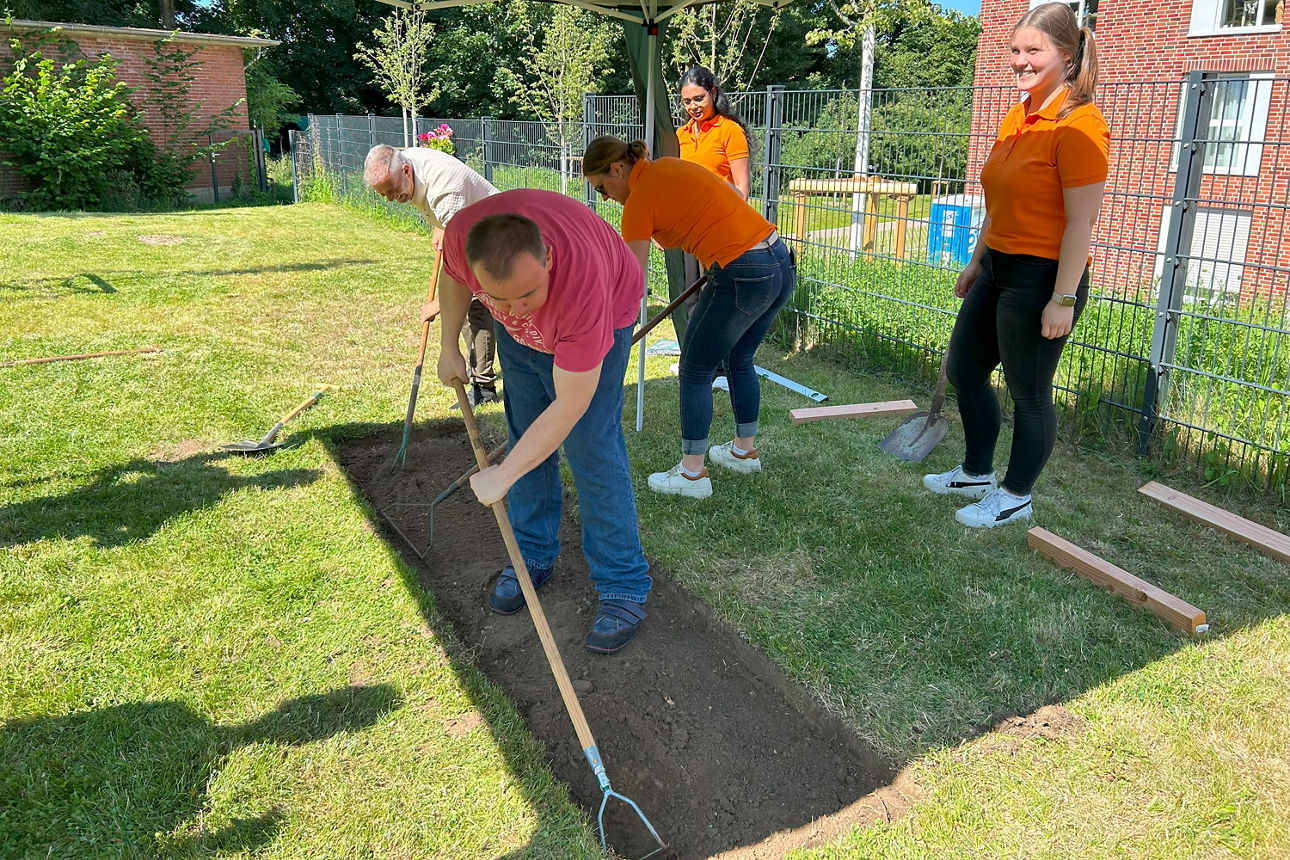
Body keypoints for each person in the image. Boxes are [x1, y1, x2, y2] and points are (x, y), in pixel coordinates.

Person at [432, 189, 654, 654]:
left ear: (548, 258)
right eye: (500, 298)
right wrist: (449, 345)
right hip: (526, 339)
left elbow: (570, 406)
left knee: (591, 447)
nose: (516, 310)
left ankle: (623, 585)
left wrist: (504, 475)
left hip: (602, 315)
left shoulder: (582, 289)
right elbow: (454, 277)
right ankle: (531, 555)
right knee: (525, 430)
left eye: (527, 293)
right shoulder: (460, 238)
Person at [923, 2, 1108, 528]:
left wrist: (1063, 298)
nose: (1020, 61)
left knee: (1028, 393)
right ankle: (977, 471)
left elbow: (1081, 224)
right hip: (998, 265)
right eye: (1015, 50)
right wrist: (977, 260)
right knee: (965, 369)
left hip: (1042, 277)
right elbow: (998, 201)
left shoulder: (1079, 126)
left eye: (1035, 51)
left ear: (1068, 56)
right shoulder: (1020, 113)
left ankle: (1015, 495)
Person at [581, 136, 796, 500]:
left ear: (617, 168)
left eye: (602, 187)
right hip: (777, 261)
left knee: (695, 370)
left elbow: (632, 279)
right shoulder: (667, 167)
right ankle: (744, 451)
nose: (604, 197)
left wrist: (611, 331)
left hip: (740, 270)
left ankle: (692, 474)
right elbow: (699, 211)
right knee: (739, 358)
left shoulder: (638, 202)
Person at [363, 144, 501, 408]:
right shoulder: (405, 161)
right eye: (384, 195)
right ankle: (482, 382)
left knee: (475, 307)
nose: (392, 199)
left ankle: (484, 387)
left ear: (406, 171)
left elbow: (463, 266)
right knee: (460, 314)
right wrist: (441, 226)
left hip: (495, 237)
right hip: (468, 227)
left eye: (392, 191)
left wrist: (440, 303)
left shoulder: (445, 190)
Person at [675, 65, 752, 200]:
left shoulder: (730, 130)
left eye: (698, 99)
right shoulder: (681, 134)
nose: (693, 107)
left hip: (721, 214)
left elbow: (742, 186)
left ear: (713, 93)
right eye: (687, 101)